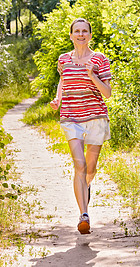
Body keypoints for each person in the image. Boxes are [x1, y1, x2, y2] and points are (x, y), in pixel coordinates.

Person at [50, 18, 112, 235]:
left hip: (95, 117)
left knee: (91, 168)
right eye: (77, 31)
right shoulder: (63, 59)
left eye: (85, 31)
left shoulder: (100, 59)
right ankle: (83, 215)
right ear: (71, 35)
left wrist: (92, 75)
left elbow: (107, 93)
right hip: (71, 117)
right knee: (80, 165)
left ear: (90, 35)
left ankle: (86, 188)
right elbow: (63, 81)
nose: (81, 34)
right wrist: (58, 99)